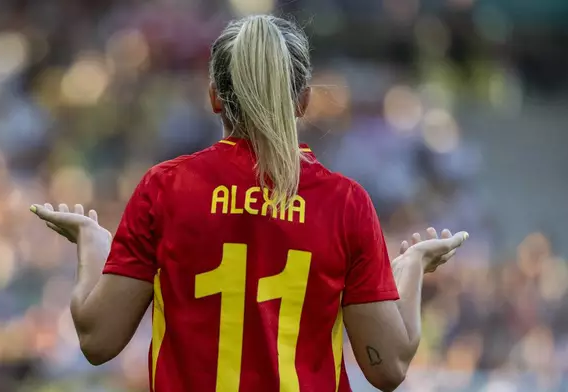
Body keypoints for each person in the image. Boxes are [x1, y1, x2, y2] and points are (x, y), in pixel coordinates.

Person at [29, 14, 469, 392]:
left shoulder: (165, 188)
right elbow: (387, 367)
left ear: (215, 97)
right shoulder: (345, 204)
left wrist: (91, 241)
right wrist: (409, 269)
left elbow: (98, 339)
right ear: (303, 101)